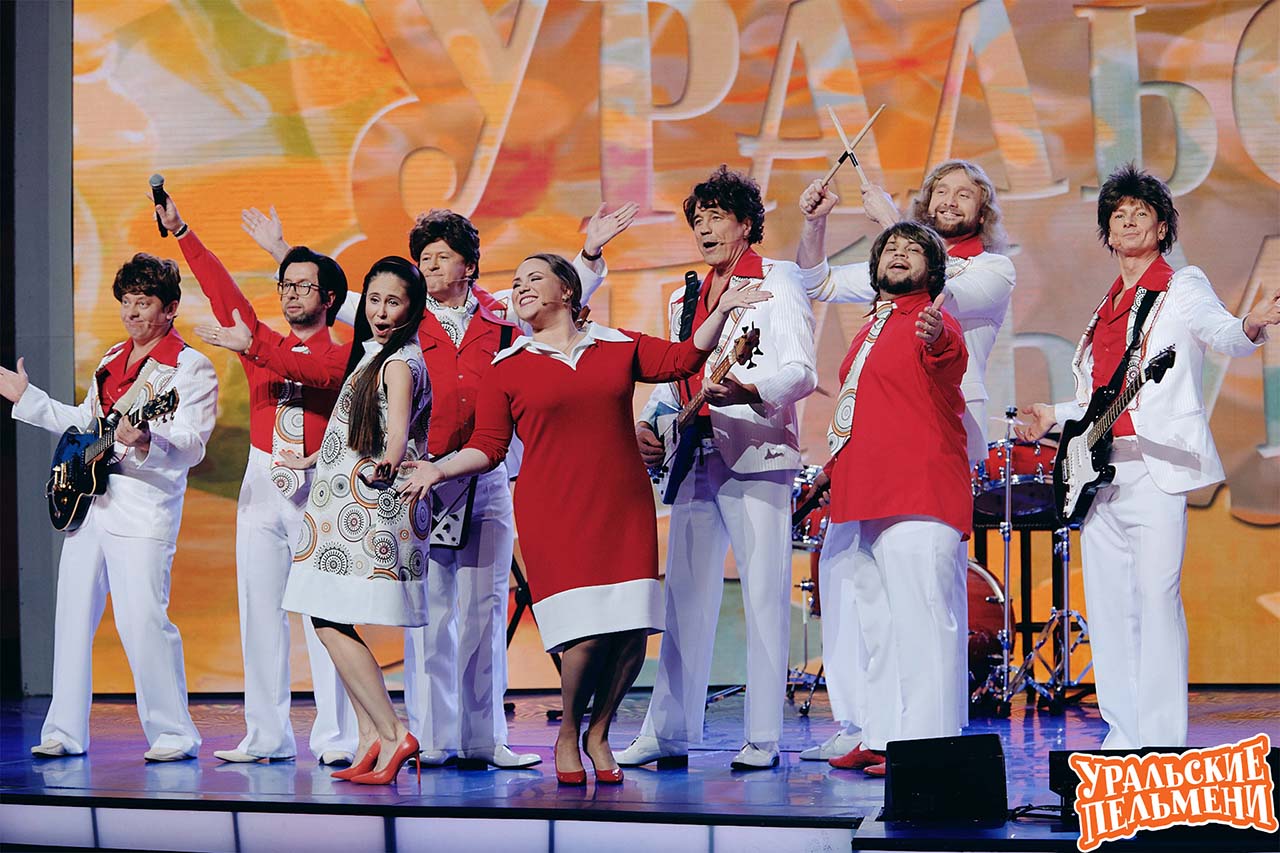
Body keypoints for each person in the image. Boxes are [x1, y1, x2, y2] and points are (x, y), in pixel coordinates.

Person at [234, 202, 635, 768]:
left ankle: (484, 738)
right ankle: (432, 736)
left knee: (485, 608)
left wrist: (590, 251)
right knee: (431, 612)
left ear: (468, 264)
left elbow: (554, 301)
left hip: (486, 475)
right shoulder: (407, 320)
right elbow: (353, 300)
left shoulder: (500, 314)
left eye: (441, 258)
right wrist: (283, 252)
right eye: (423, 258)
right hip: (423, 477)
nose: (429, 267)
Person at [396, 253, 771, 784]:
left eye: (534, 278)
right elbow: (489, 445)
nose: (521, 288)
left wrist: (725, 309)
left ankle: (601, 731)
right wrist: (437, 470)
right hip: (554, 511)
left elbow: (684, 359)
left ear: (567, 291)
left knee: (632, 631)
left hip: (622, 505)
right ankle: (569, 731)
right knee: (585, 634)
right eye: (516, 282)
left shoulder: (616, 345)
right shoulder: (506, 367)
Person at [1015, 165, 1280, 749]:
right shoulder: (1106, 306)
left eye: (1142, 212)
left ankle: (1160, 739)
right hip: (1099, 473)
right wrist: (1054, 414)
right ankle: (1122, 733)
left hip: (1155, 467)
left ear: (1162, 229)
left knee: (1157, 598)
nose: (1129, 220)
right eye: (1118, 214)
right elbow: (1101, 399)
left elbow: (1218, 330)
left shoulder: (1181, 286)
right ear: (1107, 232)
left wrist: (1250, 325)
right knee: (1110, 606)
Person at [794, 160, 1015, 761]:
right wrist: (816, 223)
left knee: (923, 612)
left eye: (965, 193)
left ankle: (929, 749)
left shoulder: (971, 283)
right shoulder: (879, 316)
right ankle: (881, 734)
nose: (950, 201)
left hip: (925, 467)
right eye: (940, 190)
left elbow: (945, 334)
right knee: (876, 612)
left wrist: (897, 232)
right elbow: (816, 281)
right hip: (869, 476)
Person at [617, 165, 818, 771]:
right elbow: (677, 374)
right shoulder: (684, 296)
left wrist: (750, 391)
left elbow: (801, 370)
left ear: (747, 225)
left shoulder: (779, 280)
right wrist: (651, 423)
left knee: (763, 594)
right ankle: (668, 731)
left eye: (717, 216)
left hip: (756, 452)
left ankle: (764, 736)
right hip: (694, 453)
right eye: (697, 218)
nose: (704, 228)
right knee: (683, 597)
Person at [161, 195, 359, 767]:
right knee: (259, 610)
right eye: (285, 285)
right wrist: (183, 232)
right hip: (262, 481)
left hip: (320, 484)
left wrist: (254, 344)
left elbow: (311, 372)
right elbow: (222, 292)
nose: (291, 294)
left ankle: (338, 738)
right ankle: (267, 735)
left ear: (329, 298)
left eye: (303, 286)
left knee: (326, 613)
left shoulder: (345, 354)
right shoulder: (259, 342)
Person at [0, 253, 218, 761]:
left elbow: (192, 444)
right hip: (89, 504)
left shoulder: (190, 367)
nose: (132, 312)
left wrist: (148, 438)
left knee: (143, 620)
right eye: (127, 302)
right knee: (72, 617)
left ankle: (174, 733)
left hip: (143, 508)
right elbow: (86, 427)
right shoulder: (111, 359)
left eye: (144, 303)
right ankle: (64, 731)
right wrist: (28, 399)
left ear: (170, 308)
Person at [812, 221, 971, 776]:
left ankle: (927, 751)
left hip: (918, 492)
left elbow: (949, 357)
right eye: (890, 248)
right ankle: (883, 737)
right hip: (865, 494)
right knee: (879, 627)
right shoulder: (871, 329)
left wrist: (938, 336)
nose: (899, 253)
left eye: (913, 249)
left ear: (933, 270)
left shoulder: (931, 319)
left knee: (923, 624)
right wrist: (832, 472)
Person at [277, 256, 432, 785]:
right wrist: (314, 458)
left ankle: (393, 732)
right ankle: (370, 738)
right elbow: (354, 429)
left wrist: (388, 463)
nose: (381, 312)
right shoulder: (373, 356)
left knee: (327, 618)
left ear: (413, 309)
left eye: (394, 302)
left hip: (363, 513)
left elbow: (395, 438)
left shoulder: (398, 364)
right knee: (326, 618)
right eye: (375, 300)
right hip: (337, 508)